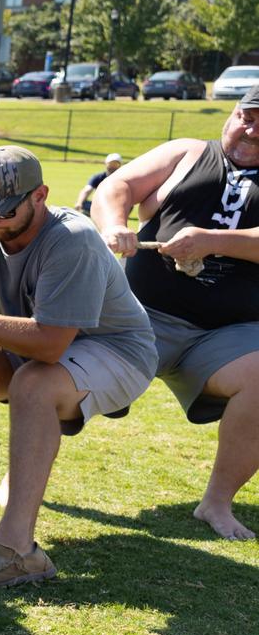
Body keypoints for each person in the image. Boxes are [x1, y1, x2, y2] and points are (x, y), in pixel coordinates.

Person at [0, 145, 156, 586]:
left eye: (3, 208)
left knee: (35, 383)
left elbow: (50, 346)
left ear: (40, 196)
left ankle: (18, 550)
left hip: (118, 352)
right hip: (45, 349)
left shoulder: (72, 239)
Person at [92, 86, 259, 540]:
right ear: (232, 113)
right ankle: (17, 483)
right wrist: (114, 226)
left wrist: (214, 240)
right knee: (55, 375)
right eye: (247, 115)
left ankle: (216, 504)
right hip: (138, 317)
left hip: (226, 334)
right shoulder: (186, 152)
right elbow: (117, 186)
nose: (252, 128)